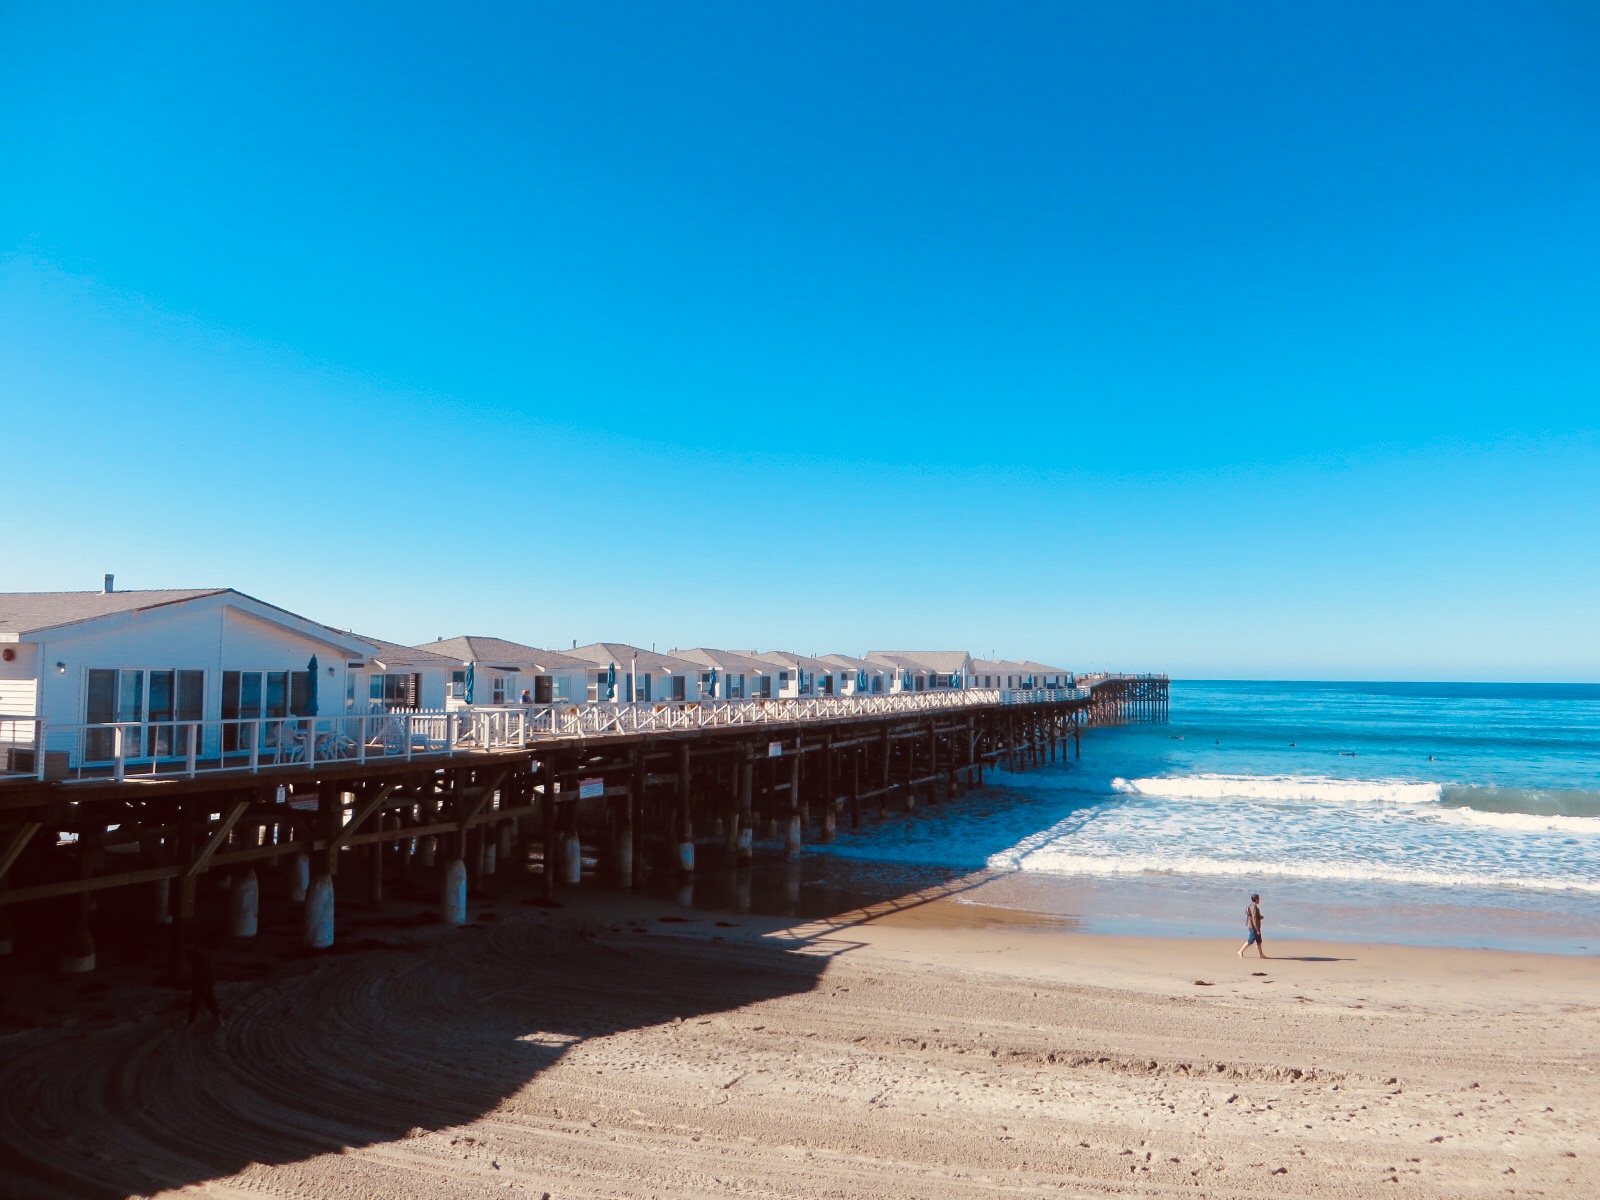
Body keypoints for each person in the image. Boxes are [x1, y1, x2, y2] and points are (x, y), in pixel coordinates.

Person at [187, 943, 225, 1026]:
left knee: (204, 1002)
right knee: (202, 1002)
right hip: (204, 982)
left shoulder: (196, 955)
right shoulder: (201, 951)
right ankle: (219, 1020)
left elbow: (201, 971)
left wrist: (204, 984)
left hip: (202, 983)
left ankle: (190, 1022)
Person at [1236, 893, 1267, 959]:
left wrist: (1260, 917)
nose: (1260, 900)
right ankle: (1240, 951)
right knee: (1251, 940)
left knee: (1259, 940)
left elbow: (1254, 916)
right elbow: (1254, 919)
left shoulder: (1252, 906)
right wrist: (1257, 930)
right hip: (1253, 927)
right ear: (1256, 899)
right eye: (1259, 899)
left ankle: (1261, 954)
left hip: (1255, 926)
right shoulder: (1253, 907)